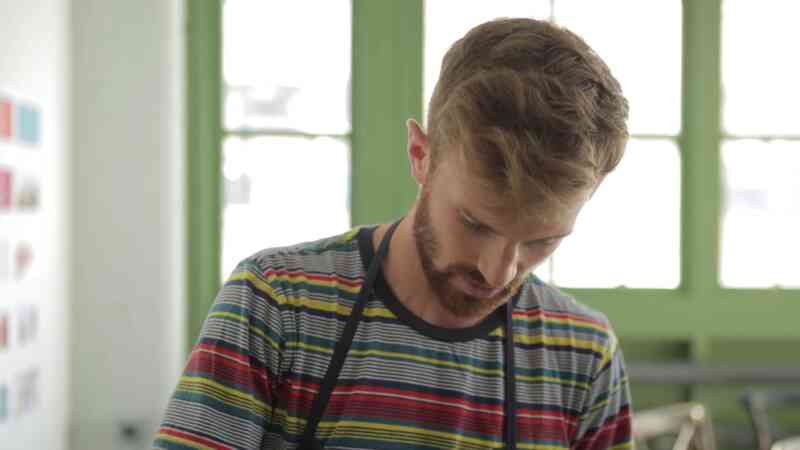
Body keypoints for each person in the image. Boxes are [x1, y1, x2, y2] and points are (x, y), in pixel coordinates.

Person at [153, 17, 632, 450]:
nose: (498, 272)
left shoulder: (583, 356)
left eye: (540, 241)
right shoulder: (276, 304)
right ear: (421, 155)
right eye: (475, 224)